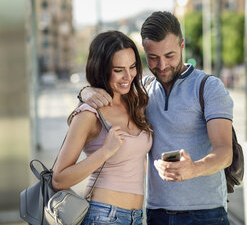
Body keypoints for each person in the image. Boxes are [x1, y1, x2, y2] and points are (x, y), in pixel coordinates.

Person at [81, 11, 233, 225]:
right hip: (157, 213)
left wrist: (194, 168)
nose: (161, 65)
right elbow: (110, 89)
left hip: (205, 213)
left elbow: (225, 152)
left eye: (169, 56)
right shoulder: (142, 90)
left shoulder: (208, 87)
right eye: (153, 57)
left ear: (182, 46)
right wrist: (85, 92)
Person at [52, 30, 152, 225]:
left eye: (132, 67)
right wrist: (105, 151)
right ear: (101, 69)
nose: (128, 76)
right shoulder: (89, 114)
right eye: (118, 70)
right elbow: (59, 179)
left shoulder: (137, 103)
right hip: (103, 215)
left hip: (137, 217)